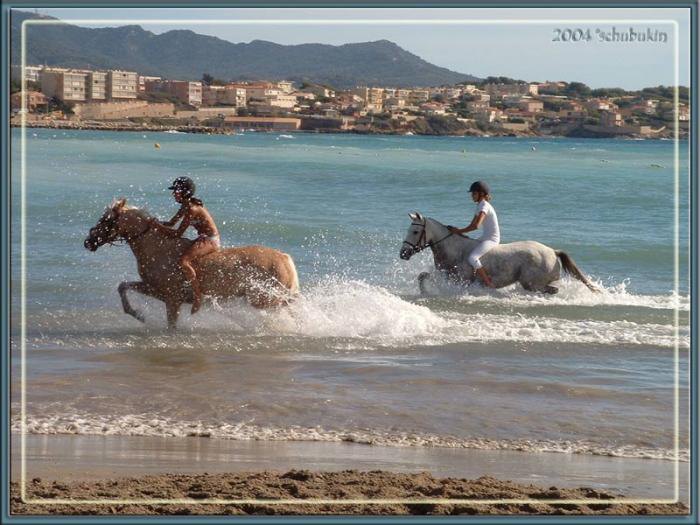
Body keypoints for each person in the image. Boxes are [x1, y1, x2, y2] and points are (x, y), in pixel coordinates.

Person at [150, 177, 220, 314]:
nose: (174, 194)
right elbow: (170, 224)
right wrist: (152, 223)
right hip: (201, 238)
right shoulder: (185, 206)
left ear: (185, 192)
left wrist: (157, 226)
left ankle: (198, 296)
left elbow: (177, 233)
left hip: (210, 240)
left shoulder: (192, 209)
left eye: (176, 191)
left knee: (184, 261)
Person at [448, 181, 500, 288]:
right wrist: (460, 233)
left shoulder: (484, 206)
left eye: (474, 193)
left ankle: (488, 282)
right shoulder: (480, 205)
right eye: (472, 194)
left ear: (481, 194)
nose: (472, 196)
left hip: (492, 239)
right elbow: (471, 225)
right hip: (485, 237)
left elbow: (476, 226)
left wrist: (458, 231)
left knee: (472, 258)